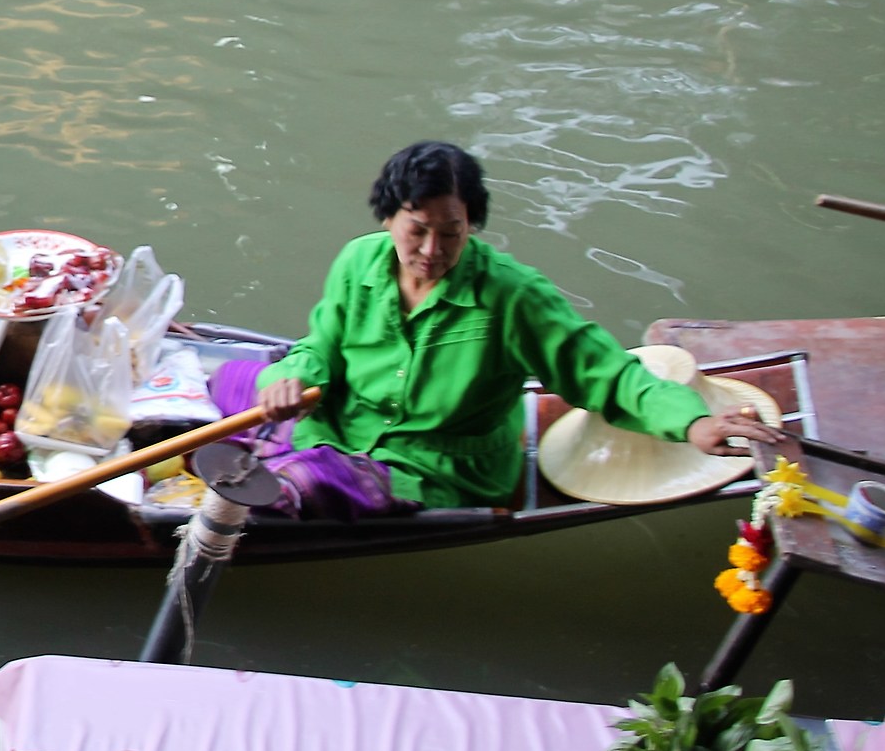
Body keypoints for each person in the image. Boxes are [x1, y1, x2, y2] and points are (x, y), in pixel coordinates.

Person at [249, 141, 789, 518]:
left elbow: (608, 375)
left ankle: (292, 473)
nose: (432, 252)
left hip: (432, 468)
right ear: (388, 218)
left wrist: (693, 422)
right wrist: (294, 375)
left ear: (471, 226)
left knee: (296, 488)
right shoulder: (357, 263)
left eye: (451, 233)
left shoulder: (512, 297)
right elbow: (320, 345)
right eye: (417, 231)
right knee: (232, 381)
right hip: (344, 423)